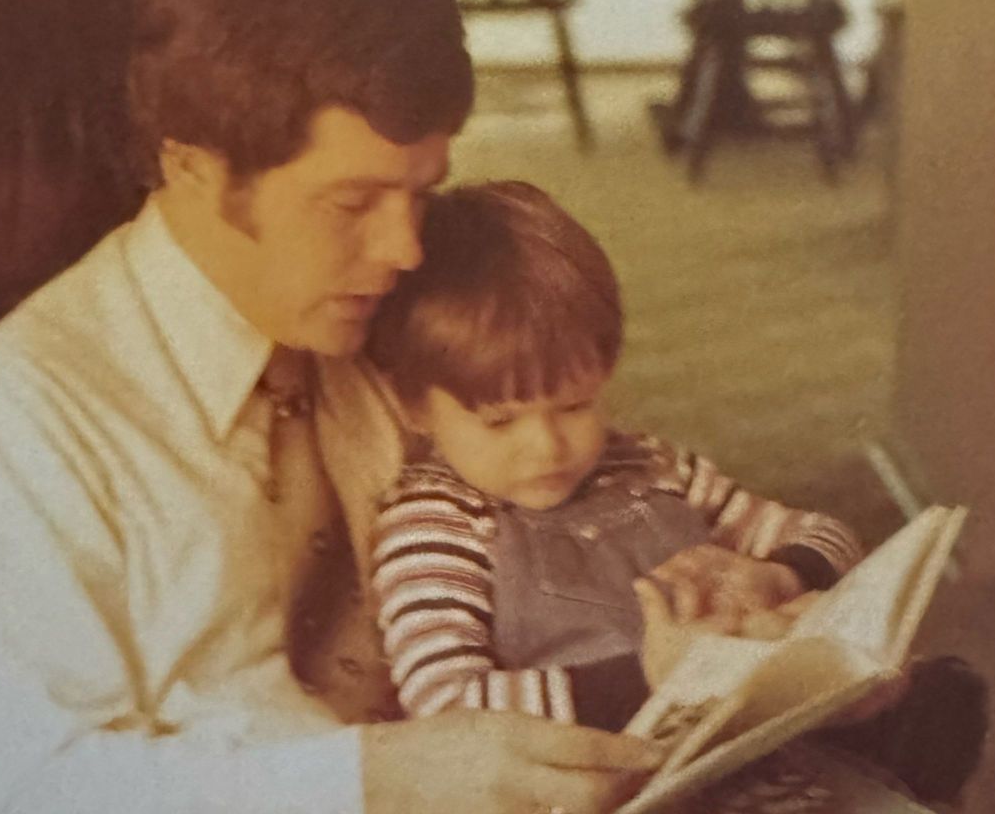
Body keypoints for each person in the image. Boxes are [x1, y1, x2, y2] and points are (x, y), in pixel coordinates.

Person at [0, 0, 662, 814]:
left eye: (420, 193)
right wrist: (382, 781)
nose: (406, 248)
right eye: (352, 205)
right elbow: (44, 789)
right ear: (196, 168)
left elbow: (557, 493)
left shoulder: (391, 316)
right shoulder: (11, 426)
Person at [364, 180, 866, 730]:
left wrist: (780, 575)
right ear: (413, 406)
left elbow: (829, 534)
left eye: (576, 406)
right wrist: (653, 679)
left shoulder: (651, 466)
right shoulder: (434, 524)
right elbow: (443, 704)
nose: (548, 446)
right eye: (501, 421)